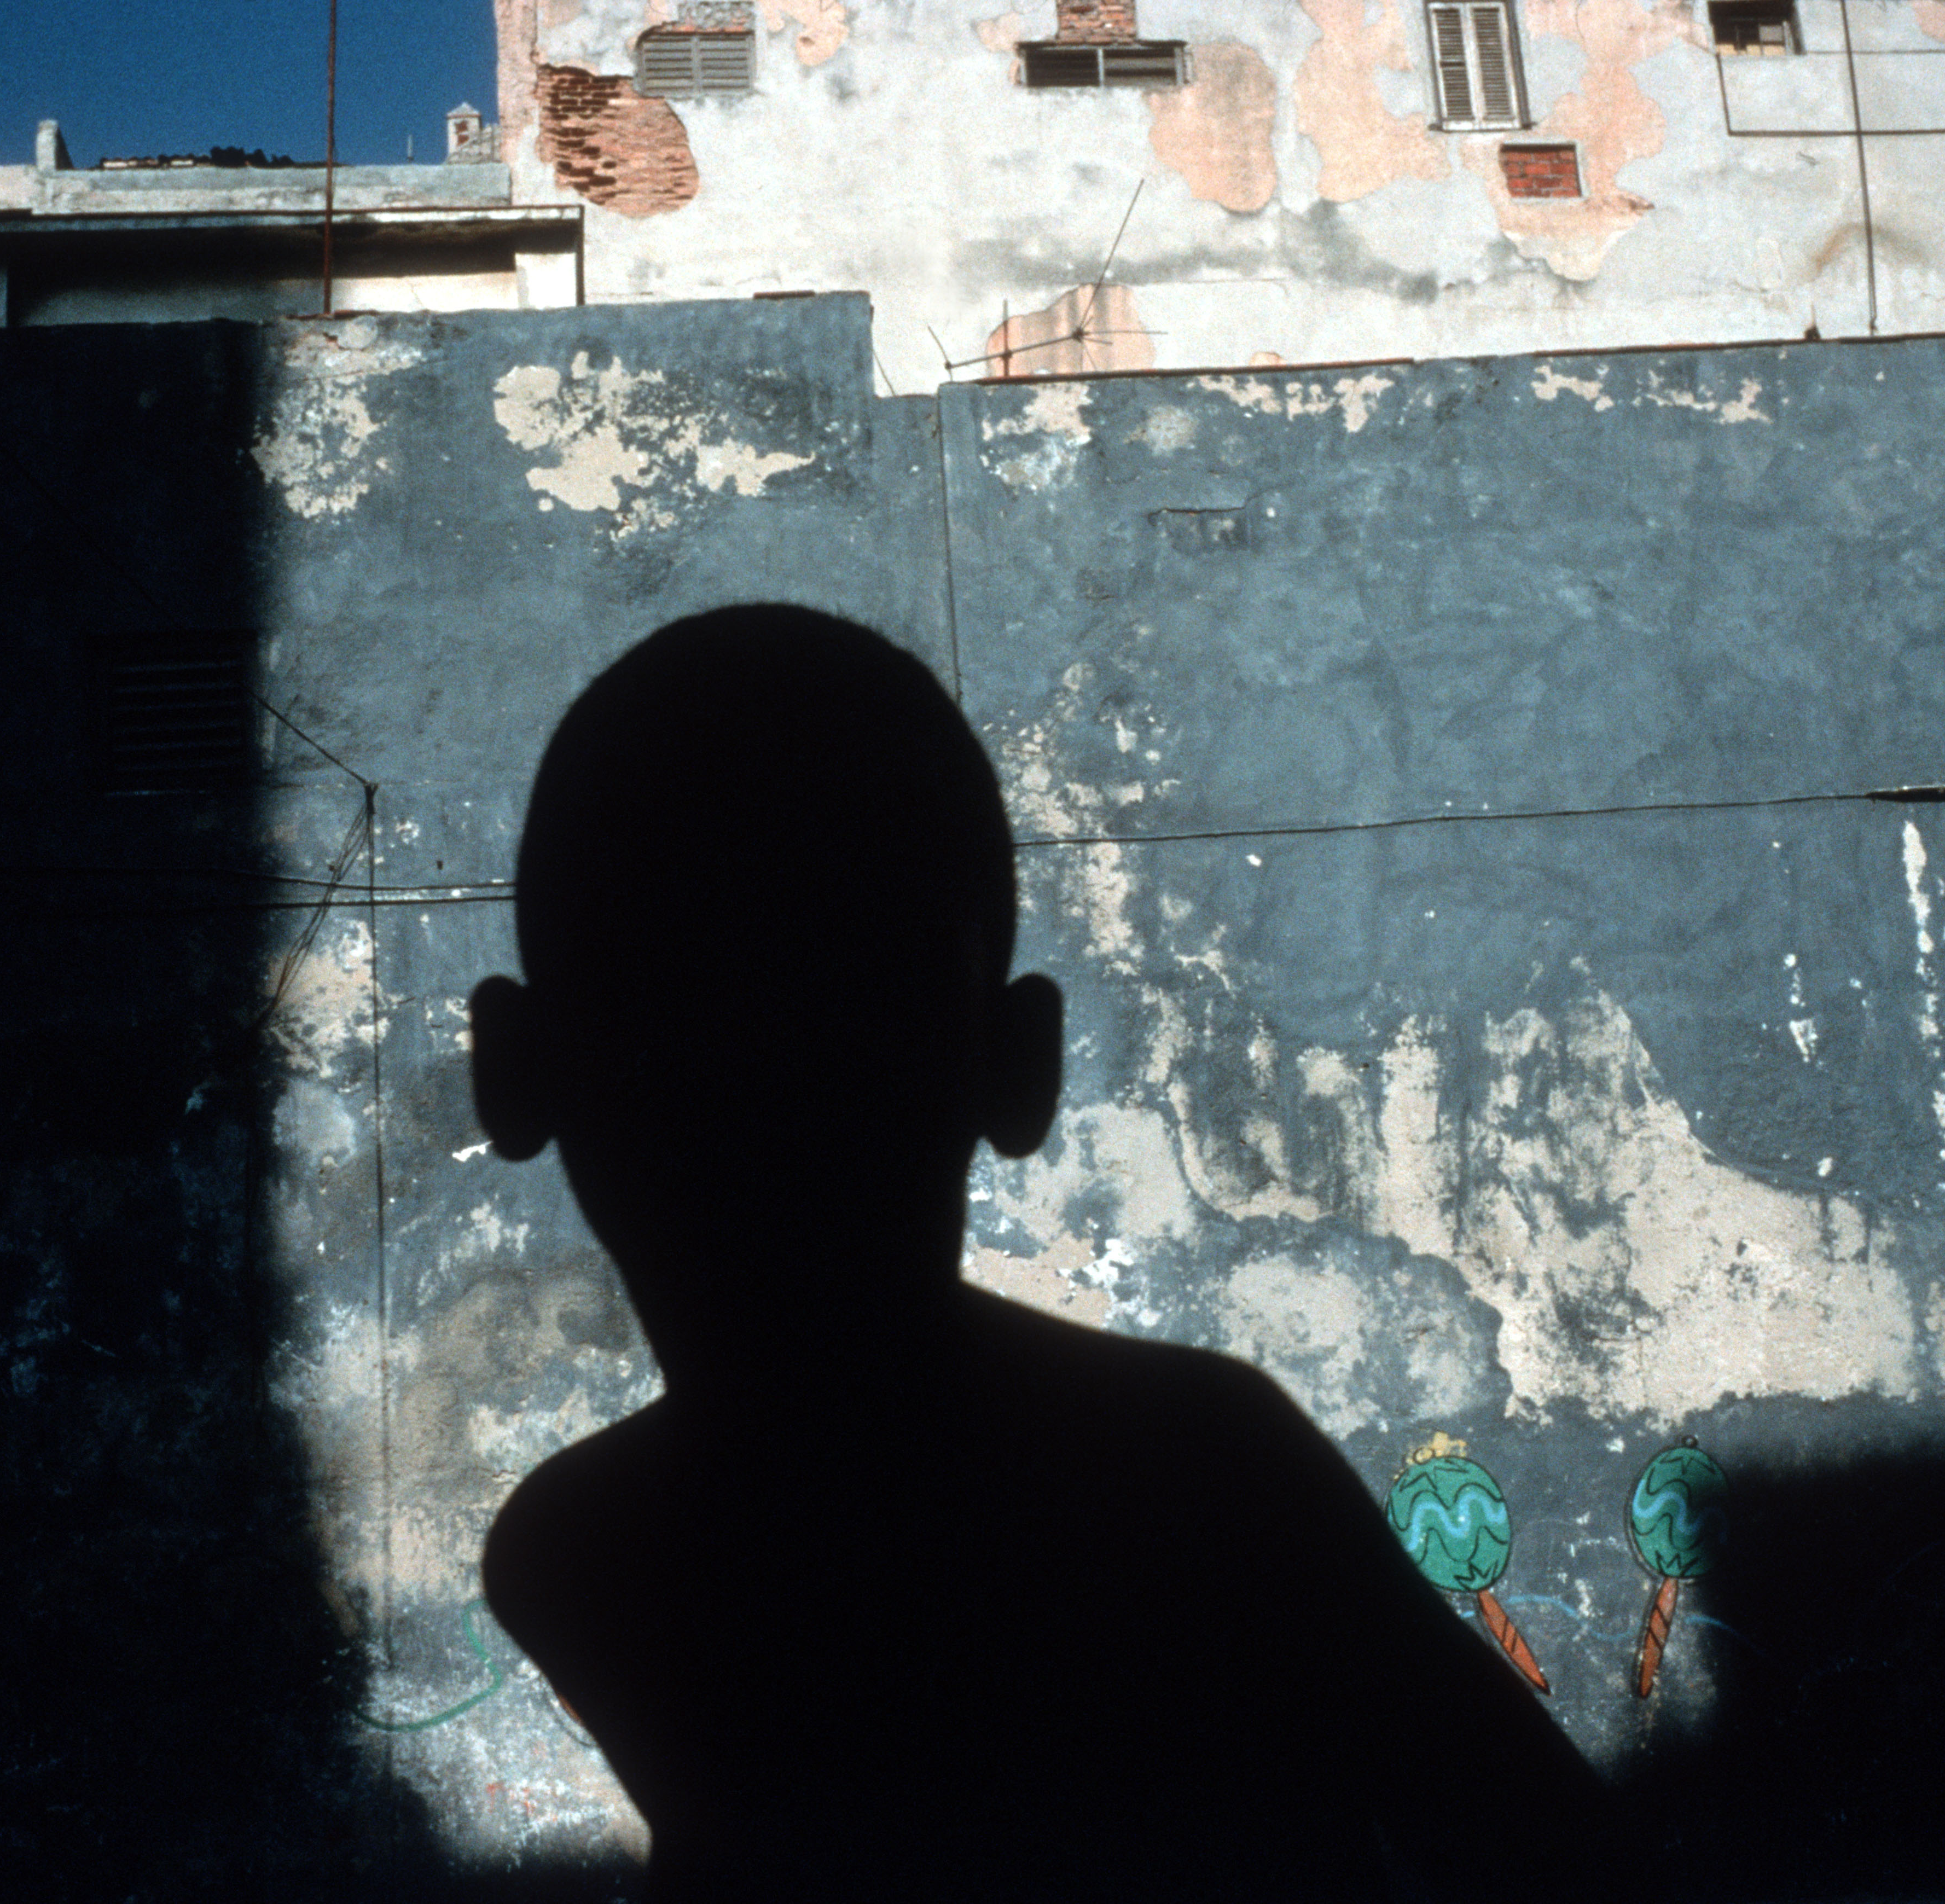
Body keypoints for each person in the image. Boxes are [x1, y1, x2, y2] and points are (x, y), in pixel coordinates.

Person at [472, 606, 1606, 1902]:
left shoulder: (590, 1563)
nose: (769, 1088)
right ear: (1021, 1067)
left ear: (512, 1071)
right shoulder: (1199, 1477)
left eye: (844, 1000)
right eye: (684, 1003)